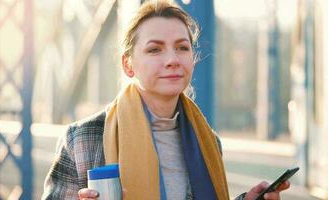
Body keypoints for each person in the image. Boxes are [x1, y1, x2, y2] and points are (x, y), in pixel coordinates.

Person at [42, 1, 290, 200]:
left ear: (193, 58)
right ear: (128, 65)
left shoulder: (207, 141)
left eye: (182, 47)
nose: (172, 59)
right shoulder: (83, 139)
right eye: (155, 49)